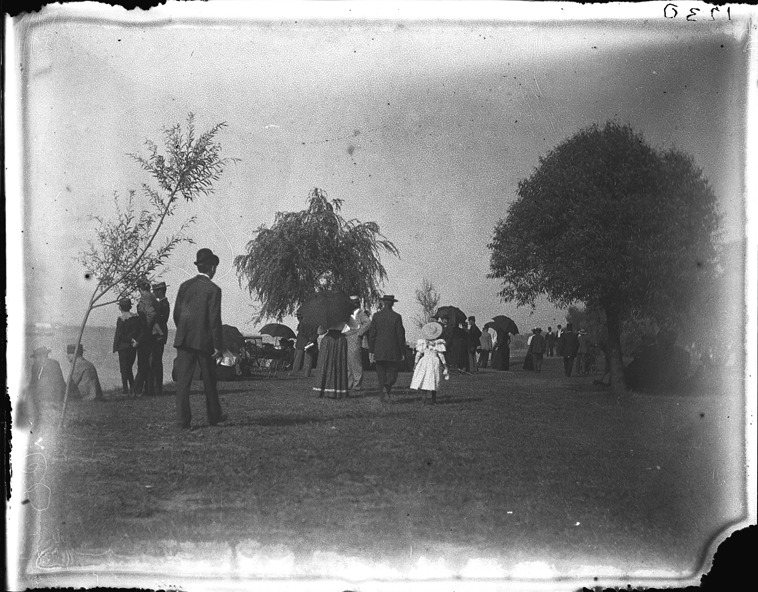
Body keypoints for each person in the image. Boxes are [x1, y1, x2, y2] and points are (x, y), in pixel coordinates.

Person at [173, 248, 227, 429]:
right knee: (210, 381)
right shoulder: (214, 290)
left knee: (183, 382)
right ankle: (214, 416)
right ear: (212, 268)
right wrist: (218, 346)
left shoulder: (184, 286)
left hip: (184, 340)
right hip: (204, 341)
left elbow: (177, 314)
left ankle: (182, 421)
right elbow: (214, 320)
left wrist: (184, 331)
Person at [368, 294, 406, 402]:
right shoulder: (397, 317)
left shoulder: (376, 316)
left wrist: (371, 351)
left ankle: (382, 397)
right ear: (392, 304)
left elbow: (372, 335)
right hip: (393, 350)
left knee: (381, 375)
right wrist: (402, 351)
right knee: (393, 371)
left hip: (379, 350)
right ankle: (388, 384)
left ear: (383, 303)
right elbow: (400, 335)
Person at [18, 344, 66, 428]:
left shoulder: (53, 365)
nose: (36, 359)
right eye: (35, 357)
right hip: (39, 396)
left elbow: (57, 384)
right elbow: (33, 383)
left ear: (43, 356)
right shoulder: (35, 367)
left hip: (51, 396)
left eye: (37, 357)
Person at [312, 316, 356, 399]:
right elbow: (355, 327)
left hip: (329, 339)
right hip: (340, 339)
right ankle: (339, 390)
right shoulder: (345, 314)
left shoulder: (327, 315)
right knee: (339, 363)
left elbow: (320, 331)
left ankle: (324, 389)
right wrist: (345, 333)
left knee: (325, 363)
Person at [410, 321, 449, 405]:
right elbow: (441, 355)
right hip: (432, 361)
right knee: (432, 377)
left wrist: (415, 363)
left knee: (427, 377)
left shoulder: (433, 343)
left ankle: (425, 397)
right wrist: (445, 365)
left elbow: (418, 354)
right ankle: (432, 398)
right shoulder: (430, 343)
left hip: (426, 361)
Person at [133, 279, 160, 397]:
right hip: (150, 333)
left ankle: (138, 390)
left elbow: (151, 314)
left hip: (146, 334)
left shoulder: (146, 298)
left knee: (143, 363)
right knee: (147, 363)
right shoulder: (151, 297)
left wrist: (146, 329)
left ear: (139, 289)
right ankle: (148, 390)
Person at [112, 297, 141, 395]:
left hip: (123, 347)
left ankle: (125, 390)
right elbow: (139, 332)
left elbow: (120, 335)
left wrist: (116, 347)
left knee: (124, 369)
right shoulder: (136, 318)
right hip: (133, 346)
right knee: (129, 368)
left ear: (120, 307)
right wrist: (134, 340)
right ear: (130, 307)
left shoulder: (121, 320)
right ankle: (132, 388)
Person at [345, 295, 371, 392]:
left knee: (355, 363)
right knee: (348, 363)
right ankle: (349, 384)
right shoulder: (348, 313)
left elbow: (368, 323)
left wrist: (359, 333)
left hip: (355, 339)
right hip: (347, 337)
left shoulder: (359, 313)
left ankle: (357, 385)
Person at [151, 281, 170, 395]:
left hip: (158, 335)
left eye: (155, 291)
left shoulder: (162, 304)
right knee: (156, 361)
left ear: (160, 291)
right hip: (160, 334)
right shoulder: (163, 303)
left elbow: (159, 320)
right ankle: (156, 388)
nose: (154, 293)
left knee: (156, 361)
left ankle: (157, 388)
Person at [291, 312, 318, 378]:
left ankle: (295, 372)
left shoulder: (302, 323)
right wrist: (311, 340)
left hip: (303, 342)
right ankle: (306, 373)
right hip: (310, 342)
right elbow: (316, 334)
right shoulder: (315, 322)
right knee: (308, 358)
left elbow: (301, 333)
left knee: (298, 357)